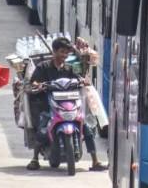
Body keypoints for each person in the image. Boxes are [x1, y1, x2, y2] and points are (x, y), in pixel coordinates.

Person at [27, 37, 106, 171]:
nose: (64, 55)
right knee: (42, 129)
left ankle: (95, 161)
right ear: (54, 51)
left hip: (69, 105)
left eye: (66, 53)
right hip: (49, 107)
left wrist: (84, 81)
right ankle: (34, 159)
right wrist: (38, 85)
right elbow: (33, 82)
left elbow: (79, 79)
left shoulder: (70, 68)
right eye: (61, 52)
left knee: (86, 128)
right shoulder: (43, 67)